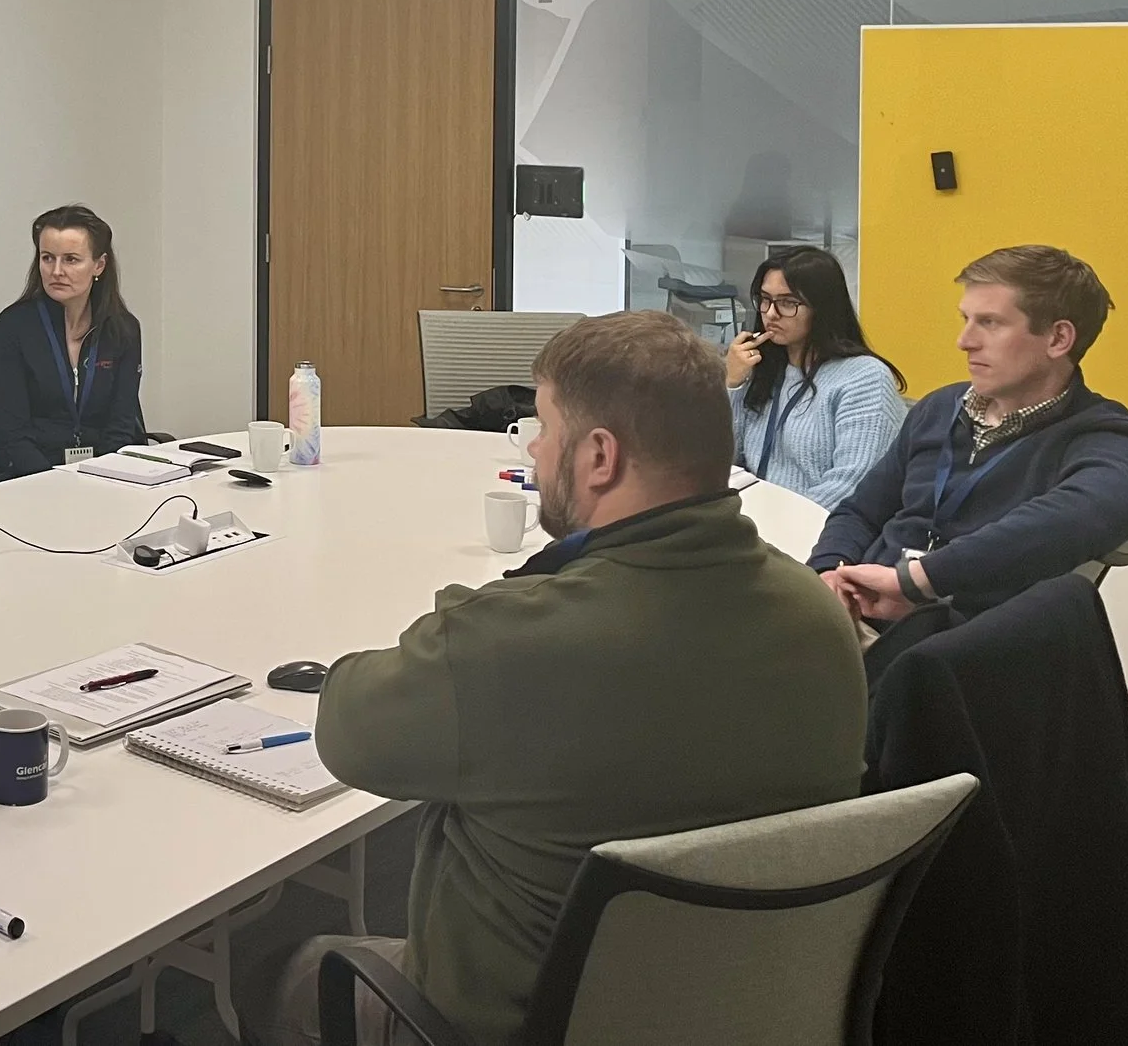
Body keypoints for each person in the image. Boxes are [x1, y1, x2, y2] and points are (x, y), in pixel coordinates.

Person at [273, 311, 865, 1046]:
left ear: (598, 457)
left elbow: (345, 729)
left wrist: (486, 609)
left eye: (542, 428)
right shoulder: (819, 618)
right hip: (748, 1009)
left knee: (306, 969)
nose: (534, 447)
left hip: (519, 1024)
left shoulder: (507, 643)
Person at [812, 244, 1128, 624]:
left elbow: (1093, 510)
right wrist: (828, 570)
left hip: (953, 648)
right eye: (965, 319)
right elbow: (861, 510)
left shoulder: (1107, 438)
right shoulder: (939, 408)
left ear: (1058, 339)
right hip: (858, 616)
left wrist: (919, 580)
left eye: (990, 322)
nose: (964, 341)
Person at [725, 245, 908, 507]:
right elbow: (723, 462)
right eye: (765, 299)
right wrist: (733, 384)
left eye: (788, 303)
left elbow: (851, 486)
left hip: (814, 529)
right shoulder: (764, 368)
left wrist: (783, 526)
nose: (771, 314)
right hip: (754, 520)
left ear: (822, 309)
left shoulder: (864, 378)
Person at [0, 205, 145, 480]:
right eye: (48, 258)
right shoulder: (14, 326)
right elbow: (13, 433)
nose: (56, 271)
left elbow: (122, 425)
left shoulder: (123, 329)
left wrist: (100, 478)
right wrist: (58, 483)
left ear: (99, 265)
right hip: (28, 475)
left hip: (102, 474)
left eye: (70, 260)